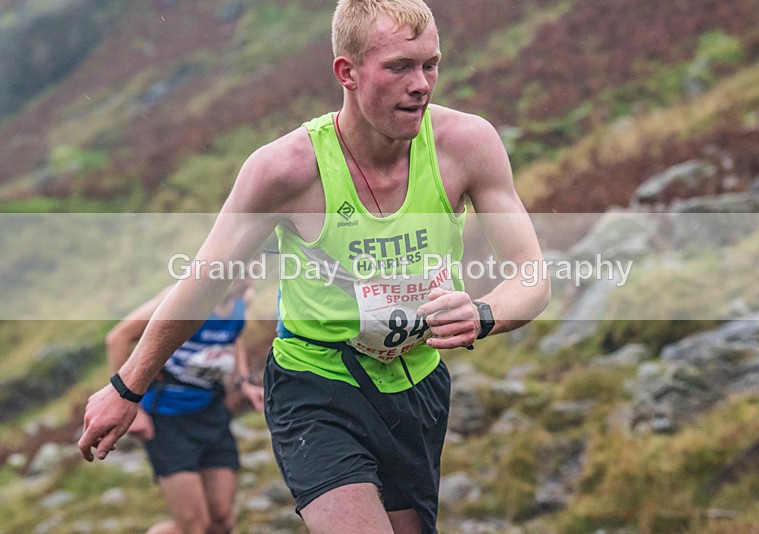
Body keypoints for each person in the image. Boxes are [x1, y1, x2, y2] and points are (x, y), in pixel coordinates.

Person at [79, 1, 551, 533]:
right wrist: (126, 388)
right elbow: (202, 283)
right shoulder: (285, 170)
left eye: (430, 64)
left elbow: (532, 277)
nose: (421, 84)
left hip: (415, 383)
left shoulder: (467, 145)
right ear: (346, 72)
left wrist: (484, 314)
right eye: (399, 67)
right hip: (316, 384)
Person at [104, 278, 263, 534]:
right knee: (193, 527)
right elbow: (118, 338)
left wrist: (243, 382)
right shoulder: (184, 300)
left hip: (212, 413)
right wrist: (132, 407)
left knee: (222, 520)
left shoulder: (242, 300)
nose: (248, 276)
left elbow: (234, 338)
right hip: (168, 419)